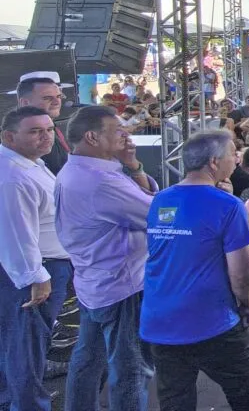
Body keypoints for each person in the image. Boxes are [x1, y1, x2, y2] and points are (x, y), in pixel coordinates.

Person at [141, 130, 249, 411]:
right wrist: (248, 306)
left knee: (175, 401)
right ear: (214, 162)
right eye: (232, 153)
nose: (236, 159)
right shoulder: (227, 206)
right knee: (248, 396)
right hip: (211, 322)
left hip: (160, 319)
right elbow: (243, 272)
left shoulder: (160, 200)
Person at [55, 106, 157, 411]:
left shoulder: (78, 170)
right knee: (132, 369)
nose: (125, 135)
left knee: (89, 360)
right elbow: (155, 214)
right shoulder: (102, 181)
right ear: (92, 137)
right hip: (121, 284)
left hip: (95, 282)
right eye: (116, 130)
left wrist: (133, 166)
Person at [0, 106, 70, 411]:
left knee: (18, 344)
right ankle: (29, 405)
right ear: (9, 136)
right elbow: (16, 233)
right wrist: (36, 277)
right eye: (35, 131)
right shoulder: (13, 176)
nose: (46, 137)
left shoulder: (29, 164)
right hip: (35, 271)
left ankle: (14, 399)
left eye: (49, 129)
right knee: (27, 347)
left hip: (40, 267)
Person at [14, 72, 72, 174]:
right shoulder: (17, 137)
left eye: (58, 96)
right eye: (47, 98)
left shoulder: (53, 127)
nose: (56, 102)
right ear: (25, 103)